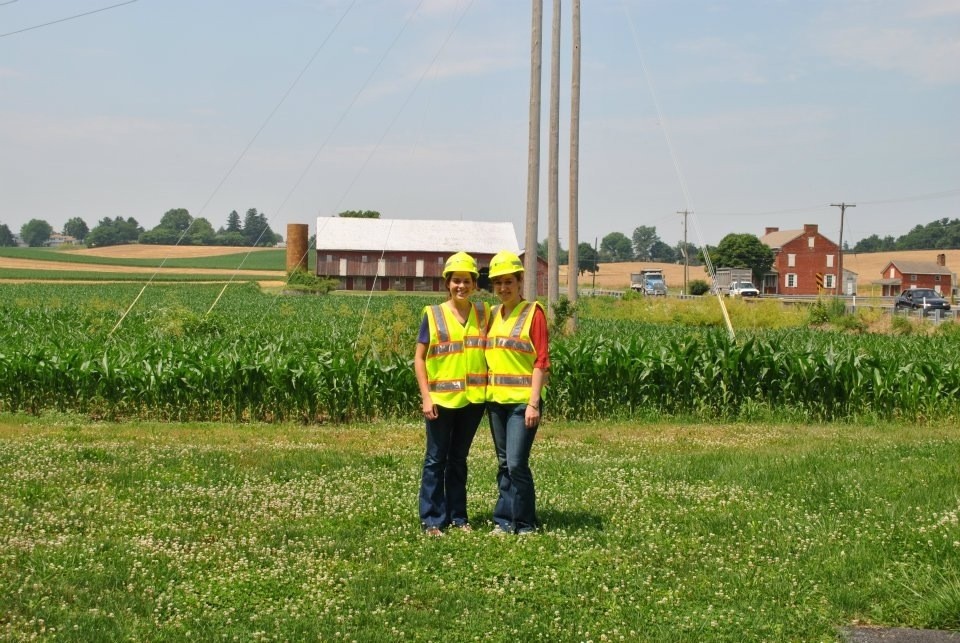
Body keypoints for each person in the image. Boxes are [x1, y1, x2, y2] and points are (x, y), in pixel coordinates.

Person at [415, 251, 490, 536]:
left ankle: (458, 517)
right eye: (456, 280)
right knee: (436, 460)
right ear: (447, 283)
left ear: (474, 284)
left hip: (472, 401)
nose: (462, 286)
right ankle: (432, 520)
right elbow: (419, 358)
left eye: (467, 280)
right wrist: (426, 396)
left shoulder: (483, 313)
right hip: (441, 401)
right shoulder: (433, 314)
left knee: (458, 460)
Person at [484, 250, 550, 535]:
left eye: (508, 281)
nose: (503, 288)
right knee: (503, 464)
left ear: (520, 282)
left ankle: (524, 523)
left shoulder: (534, 313)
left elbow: (541, 360)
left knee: (516, 463)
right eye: (498, 282)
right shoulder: (492, 314)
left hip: (523, 403)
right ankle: (503, 520)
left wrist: (533, 403)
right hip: (496, 401)